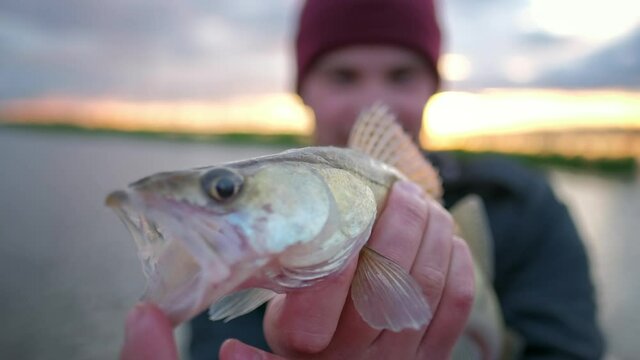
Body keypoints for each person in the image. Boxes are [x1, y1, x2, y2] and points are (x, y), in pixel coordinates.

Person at [120, 0, 604, 359]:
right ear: (301, 90)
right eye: (343, 76)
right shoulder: (240, 249)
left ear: (434, 89)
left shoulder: (524, 207)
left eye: (401, 75)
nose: (375, 101)